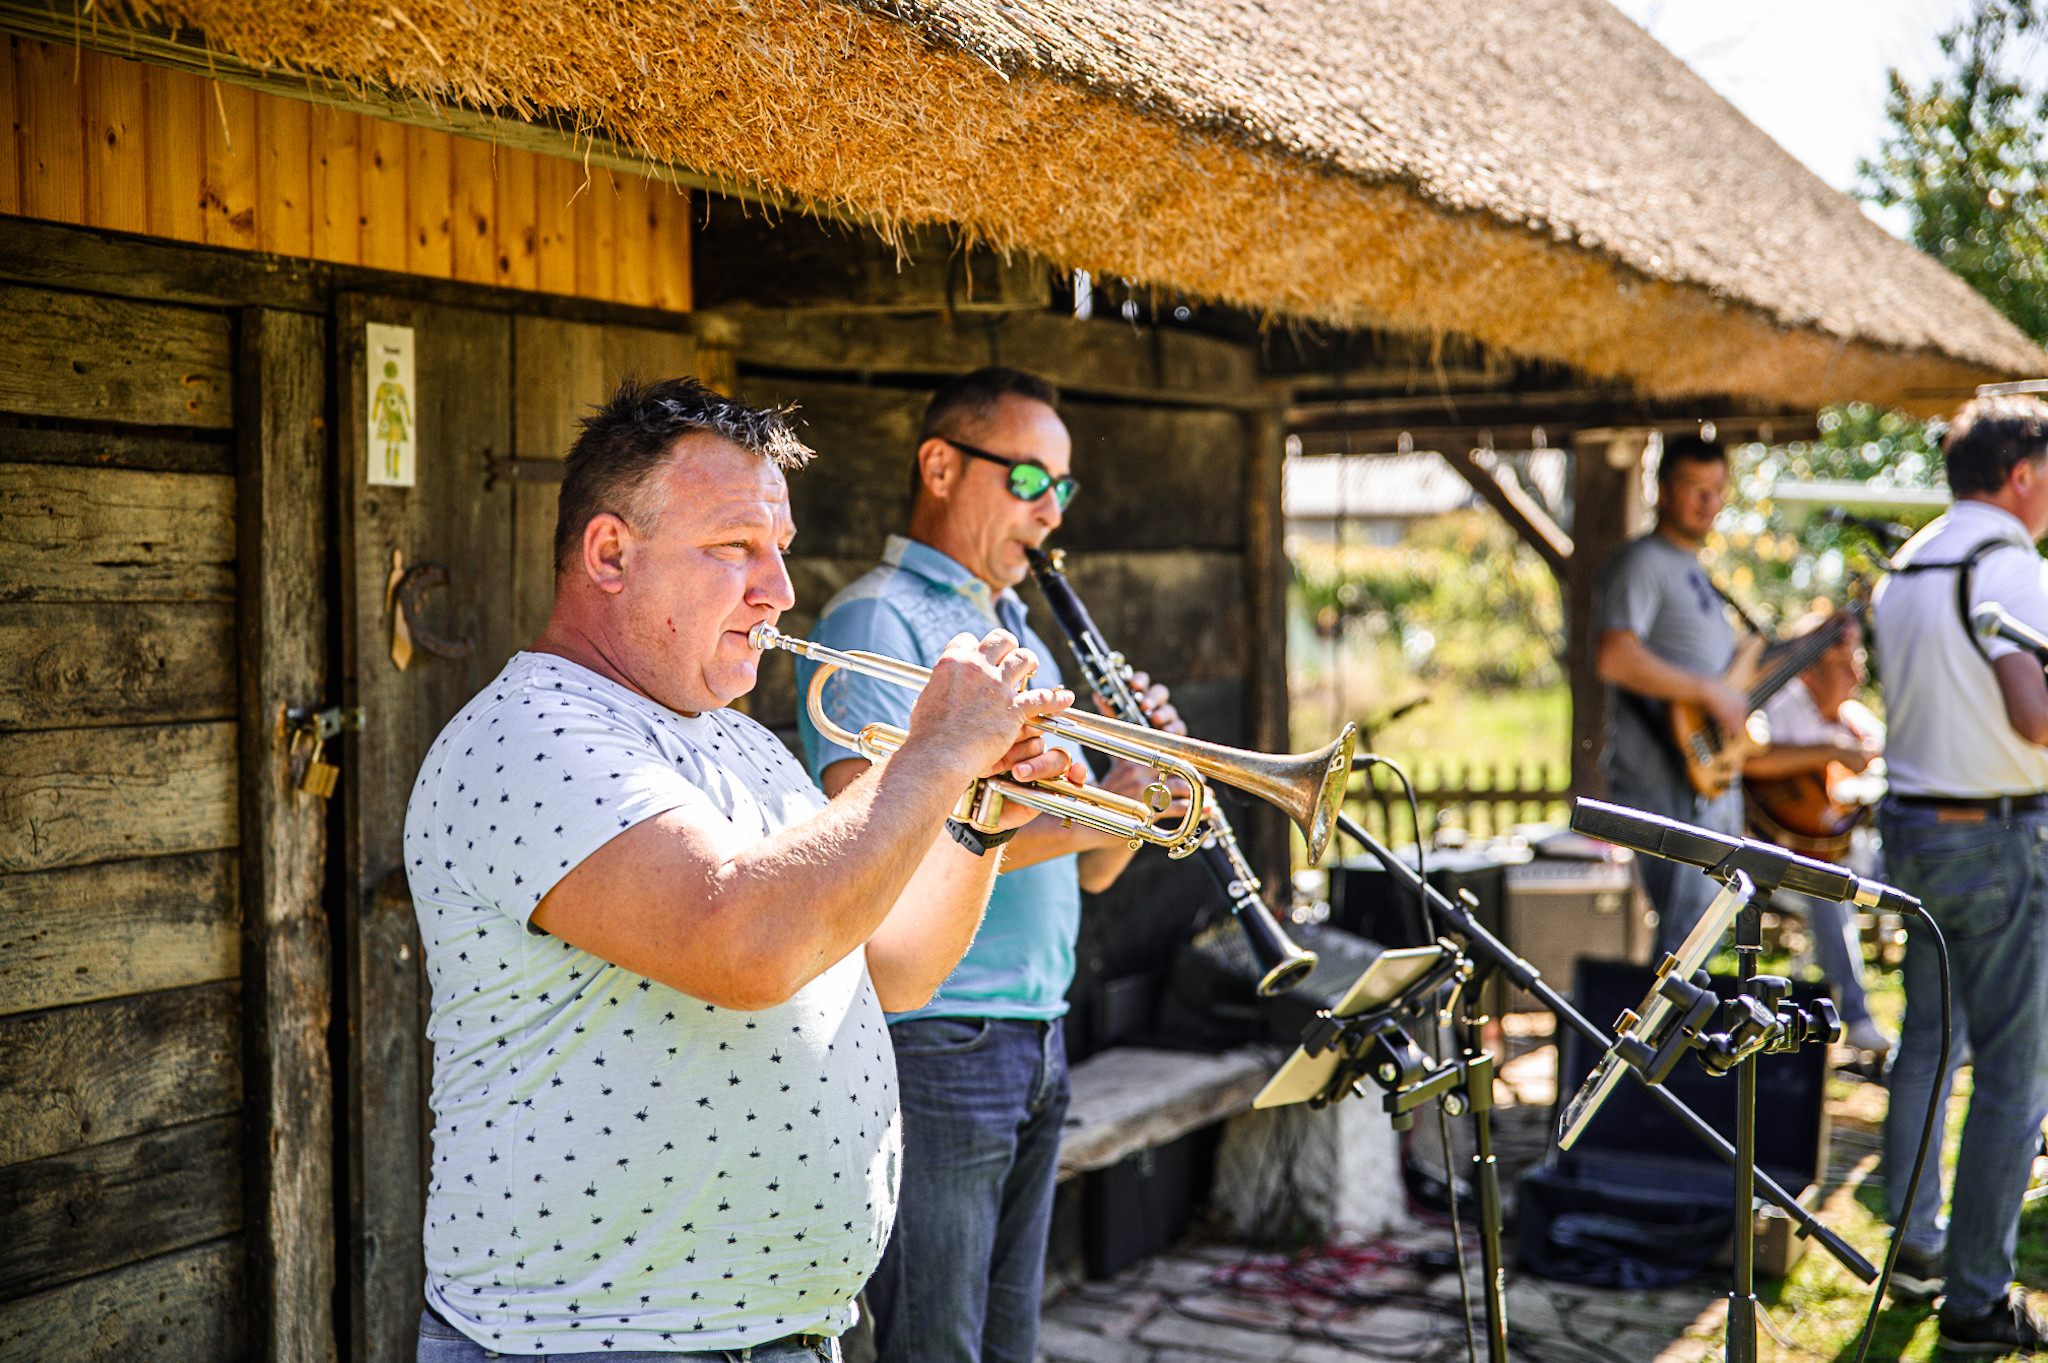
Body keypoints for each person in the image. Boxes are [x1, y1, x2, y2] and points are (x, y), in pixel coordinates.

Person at [401, 377, 1086, 1358]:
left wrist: (974, 823)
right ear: (609, 553)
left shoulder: (744, 748)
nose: (780, 588)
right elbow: (743, 944)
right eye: (735, 548)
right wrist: (933, 756)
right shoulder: (529, 733)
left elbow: (888, 967)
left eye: (780, 549)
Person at [796, 367, 1180, 1363]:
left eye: (1062, 488)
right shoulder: (875, 618)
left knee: (1009, 1343)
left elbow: (1087, 871)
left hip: (1034, 1030)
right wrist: (1114, 811)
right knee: (938, 1345)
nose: (1050, 511)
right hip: (938, 1034)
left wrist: (1141, 794)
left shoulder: (1019, 639)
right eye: (1027, 480)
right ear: (939, 465)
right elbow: (881, 846)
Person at [1872, 394, 2048, 1350]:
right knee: (2016, 1073)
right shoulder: (2009, 568)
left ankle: (1911, 1250)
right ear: (2021, 472)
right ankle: (1978, 1299)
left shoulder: (1906, 563)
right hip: (1995, 836)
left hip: (1913, 830)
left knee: (1930, 1047)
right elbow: (2036, 717)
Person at [1594, 433, 1750, 956]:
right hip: (1663, 778)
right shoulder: (1641, 561)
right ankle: (1657, 1041)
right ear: (1662, 489)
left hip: (1702, 778)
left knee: (1701, 943)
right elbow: (1614, 656)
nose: (1708, 502)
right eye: (1693, 487)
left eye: (1717, 489)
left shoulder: (1696, 568)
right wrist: (1707, 691)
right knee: (1683, 945)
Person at [1741, 613, 1892, 1056]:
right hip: (1779, 857)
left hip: (1855, 850)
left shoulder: (1857, 720)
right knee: (1827, 886)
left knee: (1917, 878)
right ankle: (1857, 1018)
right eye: (1847, 661)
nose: (1859, 673)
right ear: (1812, 668)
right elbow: (1753, 760)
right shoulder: (1781, 705)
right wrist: (1826, 750)